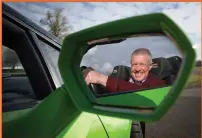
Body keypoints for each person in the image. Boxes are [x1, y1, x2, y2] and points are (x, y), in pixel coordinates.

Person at [82, 48, 166, 93]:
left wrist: (102, 79)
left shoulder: (158, 84)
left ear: (150, 66)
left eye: (142, 64)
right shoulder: (127, 78)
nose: (137, 69)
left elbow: (143, 92)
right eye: (134, 64)